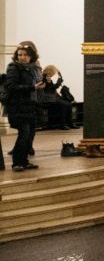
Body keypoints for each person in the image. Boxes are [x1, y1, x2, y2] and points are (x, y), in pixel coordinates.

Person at [4, 41, 43, 171]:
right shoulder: (13, 67)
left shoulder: (31, 69)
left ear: (31, 56)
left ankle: (24, 161)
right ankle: (17, 163)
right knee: (24, 134)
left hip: (29, 107)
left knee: (29, 135)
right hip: (17, 107)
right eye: (20, 55)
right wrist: (32, 87)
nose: (22, 57)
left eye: (25, 55)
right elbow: (11, 86)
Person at [38, 64, 72, 130]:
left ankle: (70, 123)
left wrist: (60, 76)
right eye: (54, 72)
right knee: (64, 105)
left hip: (51, 99)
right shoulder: (44, 79)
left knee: (69, 104)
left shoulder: (48, 79)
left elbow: (54, 87)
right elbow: (53, 87)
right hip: (47, 100)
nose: (53, 74)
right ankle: (62, 124)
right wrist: (59, 79)